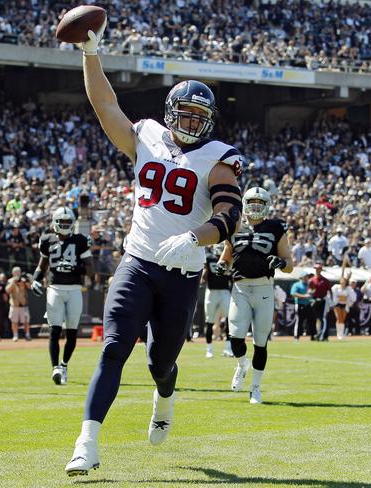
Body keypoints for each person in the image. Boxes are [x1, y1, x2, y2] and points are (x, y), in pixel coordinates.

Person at [63, 22, 243, 476]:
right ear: (170, 112)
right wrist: (90, 53)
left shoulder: (220, 156)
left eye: (198, 117)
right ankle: (87, 441)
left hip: (181, 271)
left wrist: (193, 238)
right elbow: (104, 103)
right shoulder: (145, 136)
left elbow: (228, 215)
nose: (190, 124)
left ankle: (165, 396)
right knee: (113, 348)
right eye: (183, 114)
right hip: (137, 261)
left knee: (160, 362)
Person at [217, 186, 293, 404]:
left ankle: (255, 388)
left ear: (266, 206)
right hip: (240, 288)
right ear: (245, 205)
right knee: (236, 336)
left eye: (259, 205)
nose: (255, 208)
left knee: (260, 342)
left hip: (264, 289)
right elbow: (226, 256)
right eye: (252, 204)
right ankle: (242, 365)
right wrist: (222, 266)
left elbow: (289, 264)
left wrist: (280, 263)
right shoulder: (235, 226)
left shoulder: (277, 227)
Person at [32, 207, 93, 384]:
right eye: (62, 222)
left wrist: (75, 267)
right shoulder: (47, 240)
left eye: (68, 222)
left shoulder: (80, 241)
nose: (65, 225)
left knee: (72, 332)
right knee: (54, 330)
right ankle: (55, 368)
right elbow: (42, 265)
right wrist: (36, 279)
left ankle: (64, 365)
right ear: (55, 222)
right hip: (54, 288)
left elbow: (90, 270)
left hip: (74, 289)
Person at [201, 244, 232, 359]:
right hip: (212, 291)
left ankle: (228, 348)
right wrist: (203, 276)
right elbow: (204, 273)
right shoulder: (209, 258)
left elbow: (232, 278)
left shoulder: (229, 259)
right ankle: (209, 349)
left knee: (229, 320)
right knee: (209, 321)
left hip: (224, 291)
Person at [5, 267, 32, 342]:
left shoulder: (23, 280)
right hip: (14, 305)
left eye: (18, 272)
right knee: (14, 321)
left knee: (26, 321)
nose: (17, 274)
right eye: (15, 273)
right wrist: (13, 282)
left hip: (23, 305)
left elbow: (30, 287)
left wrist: (25, 281)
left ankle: (27, 335)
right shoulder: (10, 281)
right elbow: (7, 290)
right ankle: (15, 335)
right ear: (13, 273)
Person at [308, 263, 331, 341]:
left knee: (322, 318)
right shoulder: (311, 280)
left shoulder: (325, 280)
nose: (317, 270)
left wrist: (331, 301)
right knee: (313, 318)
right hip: (314, 300)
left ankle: (323, 336)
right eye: (316, 269)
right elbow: (308, 290)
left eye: (319, 269)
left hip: (323, 301)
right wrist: (311, 292)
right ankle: (314, 335)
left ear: (321, 270)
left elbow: (330, 291)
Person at [330, 270, 355, 340]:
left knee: (342, 319)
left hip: (345, 305)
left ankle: (341, 334)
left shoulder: (348, 289)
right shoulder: (335, 287)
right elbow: (333, 296)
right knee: (339, 318)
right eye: (342, 280)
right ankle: (339, 334)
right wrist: (338, 299)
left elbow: (353, 298)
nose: (343, 282)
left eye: (344, 281)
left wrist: (346, 300)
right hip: (337, 305)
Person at [291, 271, 314, 342]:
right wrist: (304, 296)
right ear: (302, 277)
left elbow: (312, 292)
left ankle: (313, 336)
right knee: (299, 321)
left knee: (311, 321)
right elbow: (293, 294)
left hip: (308, 305)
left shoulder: (310, 285)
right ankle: (296, 337)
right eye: (305, 276)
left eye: (307, 276)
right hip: (300, 305)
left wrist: (312, 296)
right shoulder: (296, 285)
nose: (307, 278)